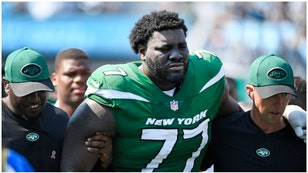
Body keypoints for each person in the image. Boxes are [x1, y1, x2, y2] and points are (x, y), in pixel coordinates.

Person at [60, 10, 306, 172]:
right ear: (142, 52)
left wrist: (287, 110)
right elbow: (73, 169)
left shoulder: (206, 78)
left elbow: (237, 116)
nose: (176, 54)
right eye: (165, 48)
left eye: (182, 46)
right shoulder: (116, 91)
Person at [2, 47, 109, 171]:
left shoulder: (59, 119)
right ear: (6, 85)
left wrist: (104, 160)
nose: (35, 99)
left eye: (41, 91)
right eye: (27, 92)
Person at [201, 54, 306, 172]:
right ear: (250, 91)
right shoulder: (222, 130)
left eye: (284, 94)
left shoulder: (302, 138)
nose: (279, 103)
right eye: (271, 95)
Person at [51, 48, 92, 118]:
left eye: (85, 73)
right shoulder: (42, 122)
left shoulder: (105, 122)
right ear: (55, 79)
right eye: (71, 74)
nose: (79, 79)